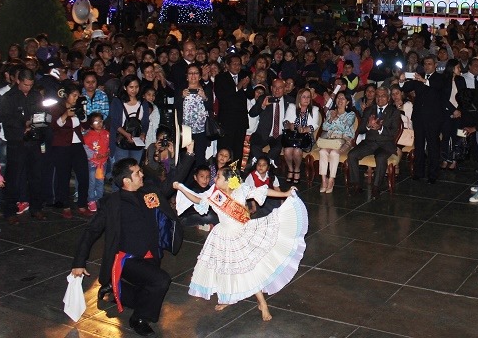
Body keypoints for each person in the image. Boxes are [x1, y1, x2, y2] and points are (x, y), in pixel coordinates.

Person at [175, 165, 307, 318]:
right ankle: (227, 298)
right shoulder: (215, 195)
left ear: (228, 181)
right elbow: (198, 200)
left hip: (242, 234)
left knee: (249, 269)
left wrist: (285, 193)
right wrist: (181, 188)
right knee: (225, 269)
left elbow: (263, 191)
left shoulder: (241, 190)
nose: (215, 179)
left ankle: (262, 303)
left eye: (218, 176)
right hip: (223, 237)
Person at [71, 158, 184, 337]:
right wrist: (79, 262)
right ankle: (139, 318)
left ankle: (118, 292)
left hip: (151, 255)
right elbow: (91, 231)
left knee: (147, 289)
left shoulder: (149, 192)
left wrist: (190, 155)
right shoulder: (112, 203)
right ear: (126, 181)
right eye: (137, 173)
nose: (142, 174)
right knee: (161, 281)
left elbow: (170, 184)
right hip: (126, 259)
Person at [0, 67, 47, 223]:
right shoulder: (8, 97)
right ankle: (10, 211)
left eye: (31, 85)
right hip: (17, 142)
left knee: (37, 176)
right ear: (18, 81)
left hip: (34, 141)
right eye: (25, 84)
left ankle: (37, 208)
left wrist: (38, 124)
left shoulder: (35, 95)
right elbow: (6, 119)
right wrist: (23, 125)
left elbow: (41, 113)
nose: (28, 88)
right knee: (14, 177)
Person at [400, 56, 448, 183]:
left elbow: (437, 87)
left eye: (429, 64)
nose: (427, 66)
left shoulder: (440, 78)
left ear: (435, 65)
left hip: (433, 118)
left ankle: (433, 174)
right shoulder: (419, 76)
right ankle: (418, 172)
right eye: (425, 64)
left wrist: (423, 80)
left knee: (433, 146)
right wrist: (401, 80)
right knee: (419, 145)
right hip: (419, 117)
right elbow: (405, 88)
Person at [347, 87, 400, 198]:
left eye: (383, 95)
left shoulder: (394, 112)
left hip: (385, 144)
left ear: (388, 98)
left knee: (381, 158)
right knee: (352, 155)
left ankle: (376, 187)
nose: (380, 98)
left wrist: (380, 128)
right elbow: (360, 129)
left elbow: (394, 132)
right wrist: (368, 125)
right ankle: (356, 185)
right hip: (369, 142)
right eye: (378, 96)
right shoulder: (369, 110)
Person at [48, 80, 91, 218]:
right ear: (66, 95)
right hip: (61, 145)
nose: (76, 98)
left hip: (77, 144)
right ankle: (65, 205)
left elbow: (85, 126)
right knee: (63, 176)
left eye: (78, 95)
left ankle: (82, 204)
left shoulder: (79, 107)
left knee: (83, 175)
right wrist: (66, 114)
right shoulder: (57, 107)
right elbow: (55, 125)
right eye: (73, 95)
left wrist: (82, 115)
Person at [248, 79, 293, 168]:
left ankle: (262, 163)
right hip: (263, 133)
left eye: (280, 88)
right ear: (271, 88)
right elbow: (252, 113)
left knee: (278, 147)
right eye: (275, 87)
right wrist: (263, 105)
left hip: (279, 135)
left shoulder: (290, 101)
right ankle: (268, 162)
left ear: (284, 89)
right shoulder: (264, 98)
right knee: (254, 146)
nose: (277, 90)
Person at [214, 55, 250, 161]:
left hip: (241, 120)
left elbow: (251, 94)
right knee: (224, 149)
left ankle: (235, 175)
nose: (237, 66)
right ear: (227, 65)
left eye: (239, 64)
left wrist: (245, 87)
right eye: (234, 64)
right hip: (227, 121)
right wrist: (238, 86)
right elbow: (223, 97)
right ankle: (222, 172)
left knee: (238, 150)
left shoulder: (244, 75)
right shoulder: (221, 78)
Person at [318, 91, 356, 194]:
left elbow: (345, 127)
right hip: (330, 140)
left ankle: (331, 180)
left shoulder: (350, 114)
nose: (340, 100)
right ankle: (323, 179)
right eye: (338, 98)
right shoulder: (331, 112)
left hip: (344, 140)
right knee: (322, 152)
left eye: (343, 98)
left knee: (334, 153)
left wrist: (335, 119)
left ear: (347, 102)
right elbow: (324, 127)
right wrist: (331, 120)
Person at [175, 64, 212, 166]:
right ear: (187, 76)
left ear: (200, 76)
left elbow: (210, 107)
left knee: (200, 157)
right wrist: (182, 96)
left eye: (196, 73)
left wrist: (204, 97)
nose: (193, 76)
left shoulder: (206, 88)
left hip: (201, 130)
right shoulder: (181, 89)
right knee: (186, 157)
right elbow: (176, 106)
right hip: (186, 129)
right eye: (190, 73)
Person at [282, 87, 320, 184]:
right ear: (299, 98)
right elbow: (285, 121)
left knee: (297, 150)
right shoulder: (292, 107)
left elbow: (314, 125)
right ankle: (291, 169)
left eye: (308, 97)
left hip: (306, 137)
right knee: (287, 150)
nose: (306, 99)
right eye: (304, 97)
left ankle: (297, 169)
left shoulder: (314, 109)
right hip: (292, 136)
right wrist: (290, 125)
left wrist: (305, 129)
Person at [110, 75, 151, 165]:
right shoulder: (117, 101)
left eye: (136, 87)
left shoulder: (143, 102)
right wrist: (126, 134)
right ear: (125, 87)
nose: (134, 90)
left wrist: (143, 134)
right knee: (122, 167)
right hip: (121, 140)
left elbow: (145, 122)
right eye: (131, 87)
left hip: (137, 141)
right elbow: (114, 122)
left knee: (134, 166)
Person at [82, 112, 110, 213]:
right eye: (96, 122)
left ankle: (99, 198)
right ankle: (91, 200)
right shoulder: (88, 135)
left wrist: (107, 153)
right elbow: (85, 147)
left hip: (103, 162)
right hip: (92, 162)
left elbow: (108, 146)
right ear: (90, 124)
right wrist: (94, 155)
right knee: (92, 182)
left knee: (100, 181)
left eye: (101, 121)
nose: (99, 123)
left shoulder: (106, 133)